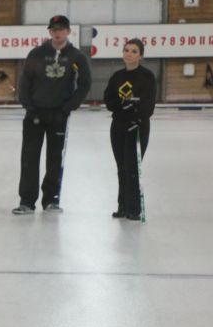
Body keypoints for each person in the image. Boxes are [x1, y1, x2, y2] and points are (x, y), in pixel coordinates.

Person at [13, 15, 91, 214]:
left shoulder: (76, 57)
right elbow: (25, 81)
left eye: (61, 29)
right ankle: (26, 201)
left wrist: (68, 108)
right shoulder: (37, 54)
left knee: (55, 159)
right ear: (49, 31)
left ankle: (51, 200)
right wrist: (29, 107)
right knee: (29, 158)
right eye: (54, 29)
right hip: (34, 115)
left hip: (59, 116)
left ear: (68, 31)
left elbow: (85, 84)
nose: (57, 33)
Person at [103, 38, 156, 220]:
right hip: (118, 126)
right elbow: (109, 100)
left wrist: (137, 113)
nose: (129, 54)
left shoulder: (147, 76)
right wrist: (122, 105)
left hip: (137, 127)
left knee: (132, 167)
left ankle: (134, 208)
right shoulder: (117, 76)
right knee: (121, 167)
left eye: (134, 51)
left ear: (140, 55)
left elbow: (149, 105)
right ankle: (123, 206)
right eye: (126, 50)